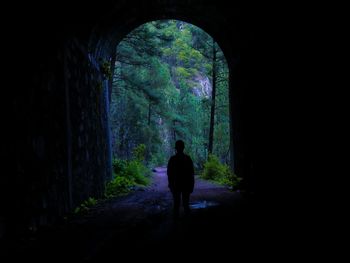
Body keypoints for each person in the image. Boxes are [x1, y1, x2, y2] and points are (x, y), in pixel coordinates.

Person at [167, 140, 195, 218]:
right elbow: (191, 173)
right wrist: (192, 184)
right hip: (185, 184)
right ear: (183, 148)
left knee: (176, 204)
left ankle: (176, 223)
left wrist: (170, 184)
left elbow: (169, 173)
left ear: (176, 148)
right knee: (185, 204)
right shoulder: (188, 158)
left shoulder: (172, 159)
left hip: (176, 185)